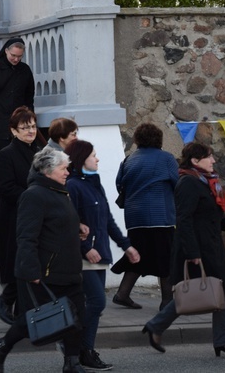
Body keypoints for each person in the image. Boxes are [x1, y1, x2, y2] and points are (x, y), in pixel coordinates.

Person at [0, 147, 90, 373]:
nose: (68, 172)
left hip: (70, 267)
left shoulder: (61, 192)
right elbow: (26, 236)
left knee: (78, 317)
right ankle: (2, 346)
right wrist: (31, 270)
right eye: (64, 168)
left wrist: (78, 227)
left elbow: (58, 223)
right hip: (46, 271)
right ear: (48, 170)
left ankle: (72, 362)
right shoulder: (33, 195)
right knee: (32, 320)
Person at [143, 142, 225, 359]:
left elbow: (207, 215)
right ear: (195, 161)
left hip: (211, 245)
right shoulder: (188, 182)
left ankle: (220, 340)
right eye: (209, 157)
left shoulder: (206, 182)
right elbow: (185, 219)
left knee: (219, 290)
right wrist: (192, 253)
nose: (214, 160)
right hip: (198, 248)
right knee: (190, 293)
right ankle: (220, 340)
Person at [66, 139, 140, 371]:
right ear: (81, 159)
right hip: (84, 256)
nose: (97, 159)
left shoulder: (94, 183)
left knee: (94, 305)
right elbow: (70, 223)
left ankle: (83, 349)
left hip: (101, 254)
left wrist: (126, 246)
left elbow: (107, 219)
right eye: (93, 155)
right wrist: (86, 248)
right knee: (96, 301)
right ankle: (78, 348)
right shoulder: (73, 186)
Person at [111, 123, 179, 310]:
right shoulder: (167, 158)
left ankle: (122, 293)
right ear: (159, 139)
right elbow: (177, 184)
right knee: (166, 257)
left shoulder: (128, 160)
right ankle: (167, 301)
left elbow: (119, 185)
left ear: (138, 140)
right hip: (161, 216)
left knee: (138, 255)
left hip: (135, 217)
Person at [0, 106, 46, 324]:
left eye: (32, 126)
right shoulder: (6, 155)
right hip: (15, 217)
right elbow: (5, 188)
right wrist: (34, 197)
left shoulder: (40, 153)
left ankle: (22, 314)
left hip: (37, 217)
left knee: (30, 264)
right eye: (25, 128)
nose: (30, 131)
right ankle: (8, 301)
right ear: (14, 131)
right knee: (19, 262)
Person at [0, 38, 35, 181]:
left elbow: (29, 96)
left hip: (18, 118)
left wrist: (30, 117)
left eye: (19, 57)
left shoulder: (25, 70)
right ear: (6, 51)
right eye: (13, 56)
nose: (16, 59)